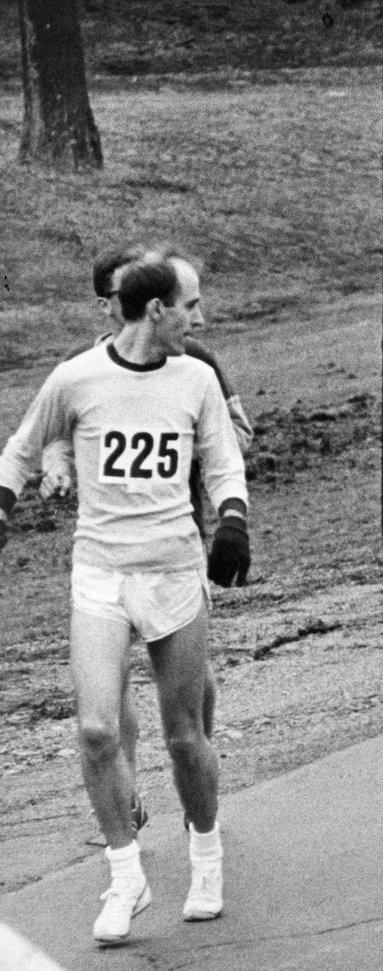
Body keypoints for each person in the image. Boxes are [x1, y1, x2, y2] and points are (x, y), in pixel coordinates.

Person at [0, 255, 251, 943]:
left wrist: (232, 517)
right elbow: (20, 449)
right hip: (101, 570)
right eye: (190, 306)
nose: (199, 319)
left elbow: (225, 460)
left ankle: (206, 852)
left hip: (172, 568)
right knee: (96, 728)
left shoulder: (195, 377)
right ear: (154, 310)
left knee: (182, 732)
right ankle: (126, 873)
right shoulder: (78, 377)